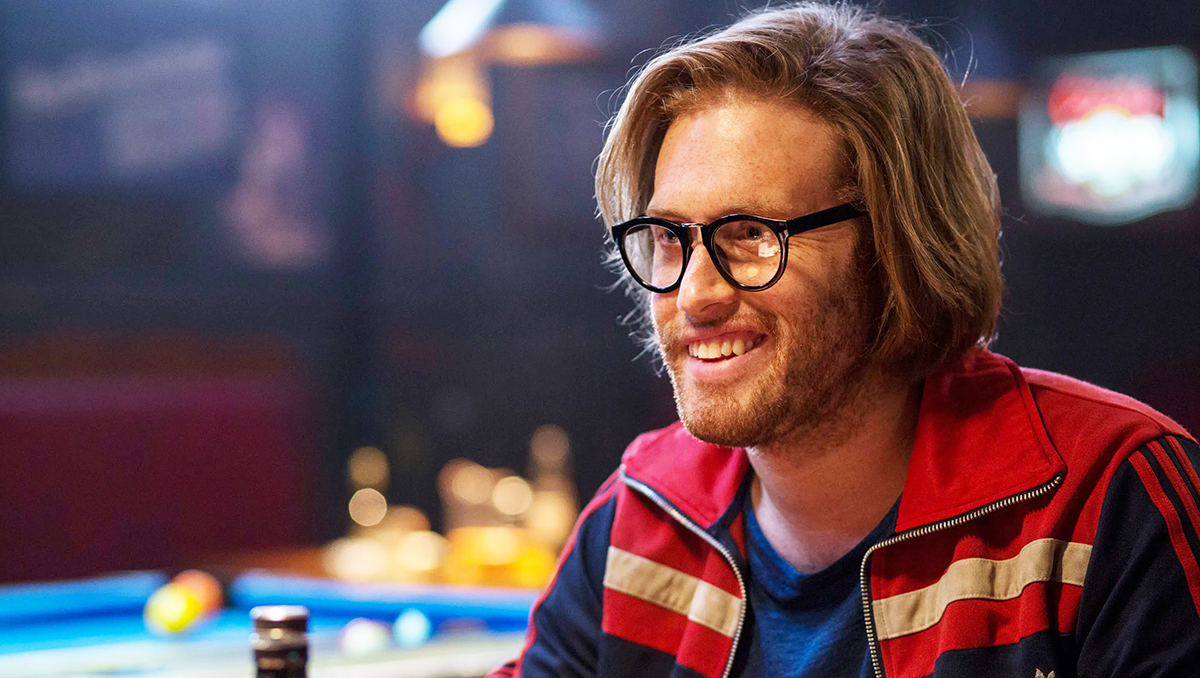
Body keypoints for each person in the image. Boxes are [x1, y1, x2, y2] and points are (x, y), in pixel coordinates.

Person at [491, 3, 1200, 677]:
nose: (695, 294)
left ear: (898, 251)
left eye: (750, 234)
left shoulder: (1108, 501)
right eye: (670, 239)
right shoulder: (639, 520)